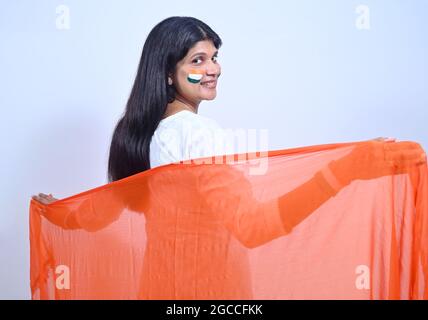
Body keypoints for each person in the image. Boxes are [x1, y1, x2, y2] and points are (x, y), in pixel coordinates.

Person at [31, 16, 427, 299]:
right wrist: (345, 169)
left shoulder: (141, 134)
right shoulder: (198, 133)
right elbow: (255, 227)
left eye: (214, 56)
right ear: (168, 73)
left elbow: (99, 213)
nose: (213, 69)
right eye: (197, 60)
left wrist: (59, 213)